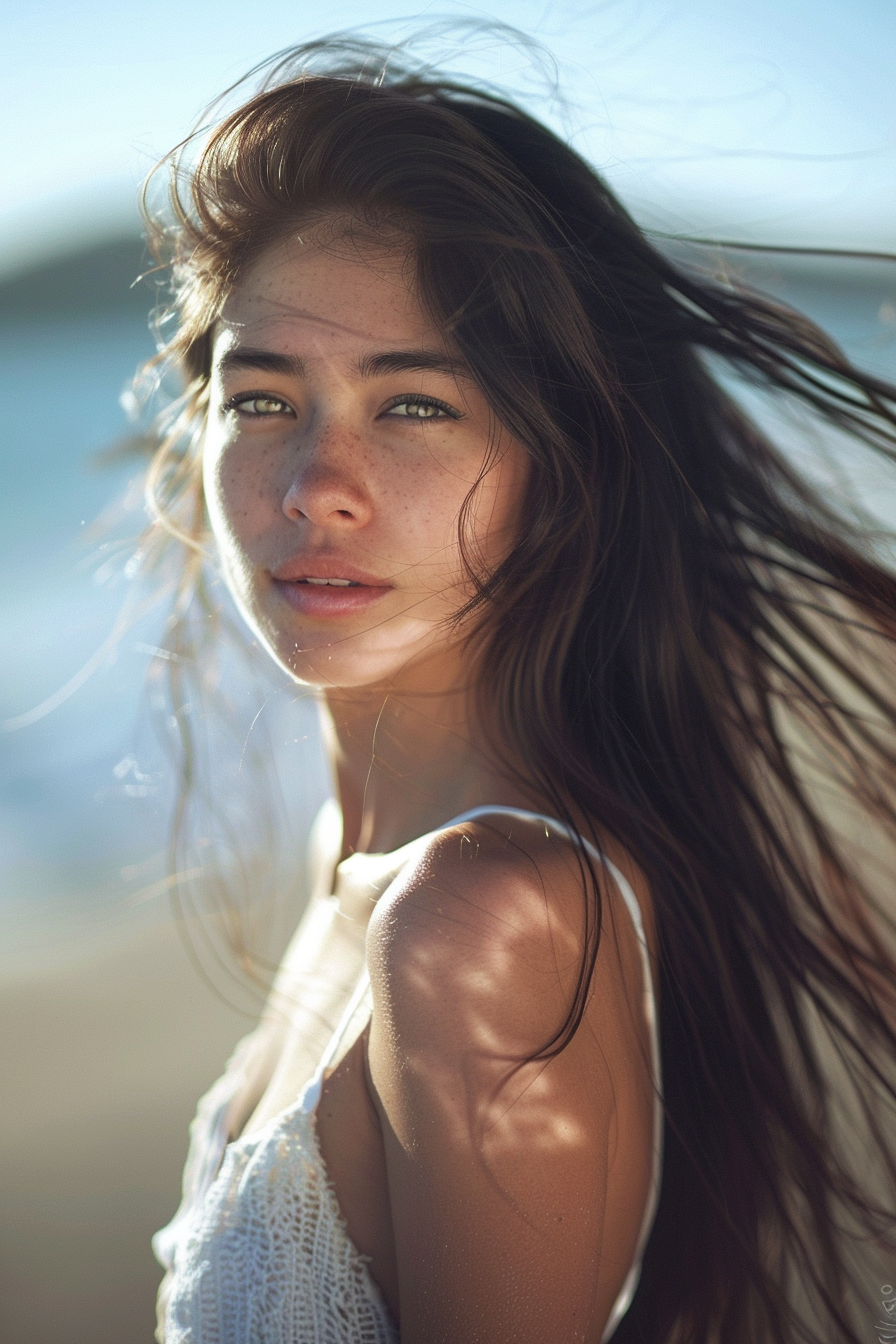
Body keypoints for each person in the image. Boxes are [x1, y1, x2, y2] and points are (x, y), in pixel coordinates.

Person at [139, 34, 896, 1344]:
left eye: (416, 406)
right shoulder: (361, 854)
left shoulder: (479, 918)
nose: (318, 479)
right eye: (263, 399)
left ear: (562, 469)